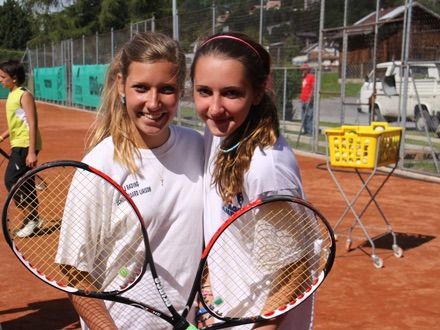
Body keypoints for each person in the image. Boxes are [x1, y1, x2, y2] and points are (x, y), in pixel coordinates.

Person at [55, 32, 204, 329]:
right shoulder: (100, 165)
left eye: (166, 89)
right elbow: (74, 270)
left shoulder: (198, 147)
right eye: (141, 88)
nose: (153, 102)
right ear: (121, 85)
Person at [190, 32, 314, 330]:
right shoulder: (220, 133)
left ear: (258, 93)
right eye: (204, 91)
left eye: (231, 93)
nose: (215, 107)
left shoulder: (267, 166)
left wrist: (263, 327)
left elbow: (294, 270)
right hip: (227, 313)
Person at [0, 60, 43, 238]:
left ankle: (31, 219)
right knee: (25, 183)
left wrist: (31, 151)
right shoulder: (12, 94)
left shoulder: (24, 95)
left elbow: (32, 123)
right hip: (18, 143)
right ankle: (34, 218)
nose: (1, 80)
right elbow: (17, 123)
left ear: (15, 78)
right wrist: (2, 136)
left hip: (26, 145)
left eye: (3, 77)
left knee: (11, 180)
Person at [299, 63, 315, 135]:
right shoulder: (303, 78)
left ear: (307, 70)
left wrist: (311, 97)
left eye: (304, 70)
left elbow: (313, 87)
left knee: (309, 115)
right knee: (303, 116)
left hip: (309, 99)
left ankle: (310, 131)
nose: (302, 71)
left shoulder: (311, 77)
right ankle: (305, 130)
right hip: (303, 99)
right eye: (302, 70)